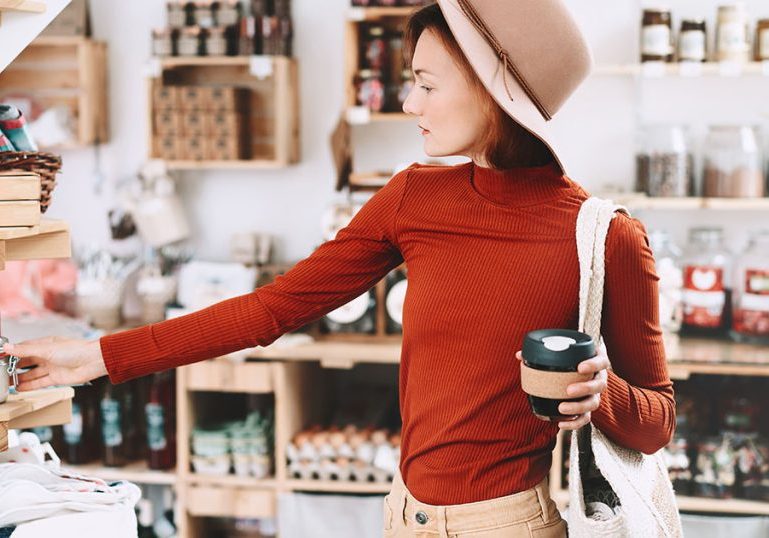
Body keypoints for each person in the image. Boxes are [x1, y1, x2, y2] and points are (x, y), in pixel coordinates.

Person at [5, 1, 675, 536]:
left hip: (510, 525)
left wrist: (600, 394)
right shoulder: (413, 196)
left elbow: (655, 422)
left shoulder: (605, 237)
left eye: (423, 84)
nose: (408, 104)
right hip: (398, 514)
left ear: (491, 91)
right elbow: (272, 310)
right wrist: (94, 357)